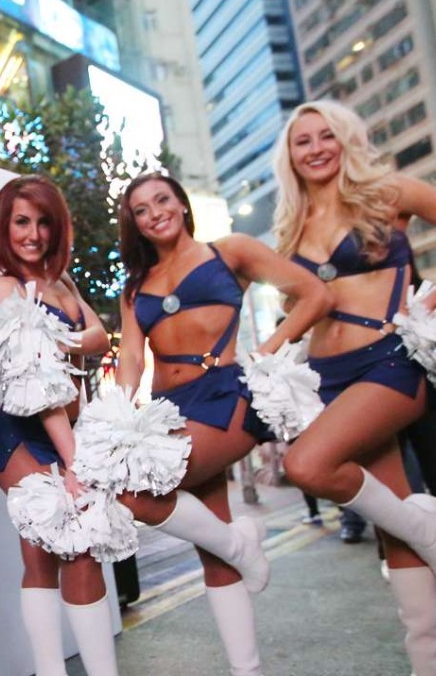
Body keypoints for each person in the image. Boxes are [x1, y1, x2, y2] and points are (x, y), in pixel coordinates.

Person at [116, 172, 332, 676]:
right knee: (212, 549)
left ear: (182, 204)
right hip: (166, 408)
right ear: (136, 225)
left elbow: (315, 295)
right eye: (141, 210)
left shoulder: (228, 251)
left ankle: (241, 542)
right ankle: (246, 666)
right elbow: (129, 354)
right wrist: (121, 418)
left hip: (225, 395)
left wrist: (264, 354)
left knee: (135, 494)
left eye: (162, 200)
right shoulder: (135, 288)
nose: (155, 213)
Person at [274, 99, 436, 674]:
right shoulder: (291, 225)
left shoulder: (385, 193)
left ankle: (430, 528)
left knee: (308, 465)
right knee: (394, 524)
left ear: (344, 140)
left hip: (390, 361)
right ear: (289, 157)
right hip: (327, 376)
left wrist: (429, 303)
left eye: (326, 136)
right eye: (303, 141)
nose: (316, 148)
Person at [0, 175, 116, 676]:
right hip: (21, 435)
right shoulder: (5, 290)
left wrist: (66, 340)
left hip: (67, 433)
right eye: (21, 222)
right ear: (3, 227)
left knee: (78, 554)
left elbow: (100, 336)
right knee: (63, 551)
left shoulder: (64, 285)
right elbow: (38, 389)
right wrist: (73, 461)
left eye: (43, 222)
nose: (33, 234)